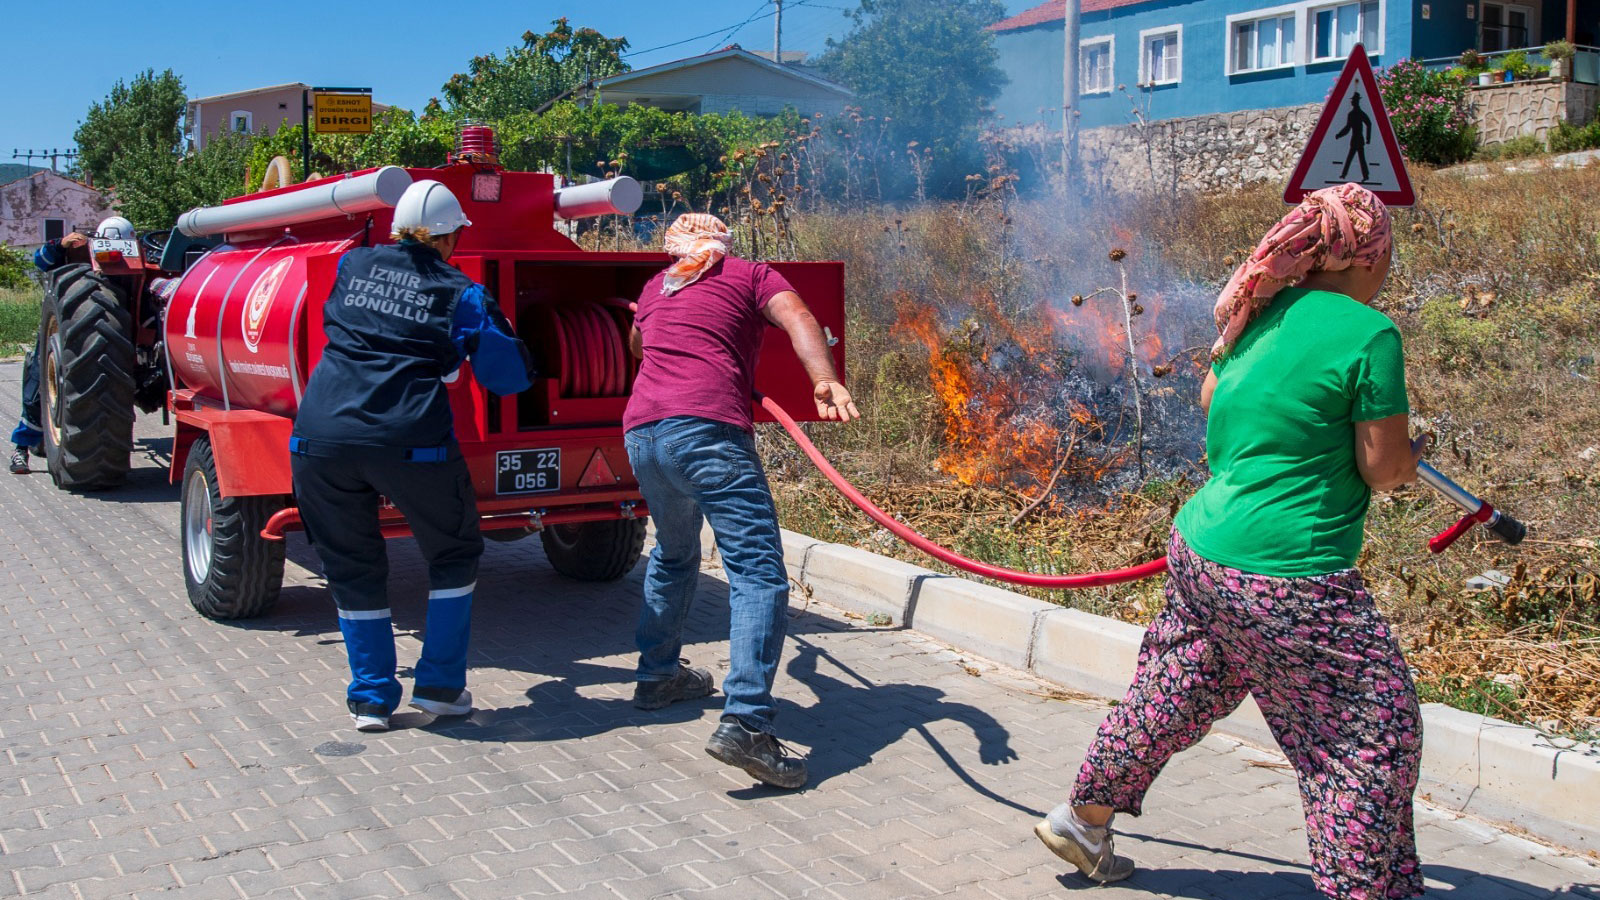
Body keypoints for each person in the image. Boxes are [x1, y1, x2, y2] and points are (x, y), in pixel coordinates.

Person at [1036, 183, 1427, 900]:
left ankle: (1083, 818)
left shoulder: (1261, 309)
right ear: (1365, 256)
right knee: (1368, 733)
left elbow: (1215, 400)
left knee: (1176, 689)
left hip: (1205, 550)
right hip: (1291, 575)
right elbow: (1384, 467)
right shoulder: (1371, 334)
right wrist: (1407, 446)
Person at [624, 213, 858, 790]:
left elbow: (638, 344)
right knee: (757, 574)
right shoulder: (752, 275)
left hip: (643, 436)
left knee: (674, 554)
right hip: (707, 432)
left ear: (677, 249)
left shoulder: (658, 287)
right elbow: (800, 316)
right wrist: (822, 377)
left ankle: (658, 676)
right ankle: (747, 722)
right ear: (725, 245)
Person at [290, 180, 534, 733]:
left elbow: (352, 328)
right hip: (409, 439)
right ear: (449, 240)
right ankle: (442, 689)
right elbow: (507, 378)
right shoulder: (460, 290)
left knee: (352, 566)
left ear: (397, 228)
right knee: (452, 552)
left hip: (319, 437)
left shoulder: (351, 266)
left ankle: (372, 699)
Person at [10, 231, 89, 474]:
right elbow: (41, 260)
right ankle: (22, 448)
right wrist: (59, 245)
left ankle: (21, 449)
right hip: (65, 331)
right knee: (38, 383)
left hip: (88, 341)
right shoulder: (65, 258)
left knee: (38, 384)